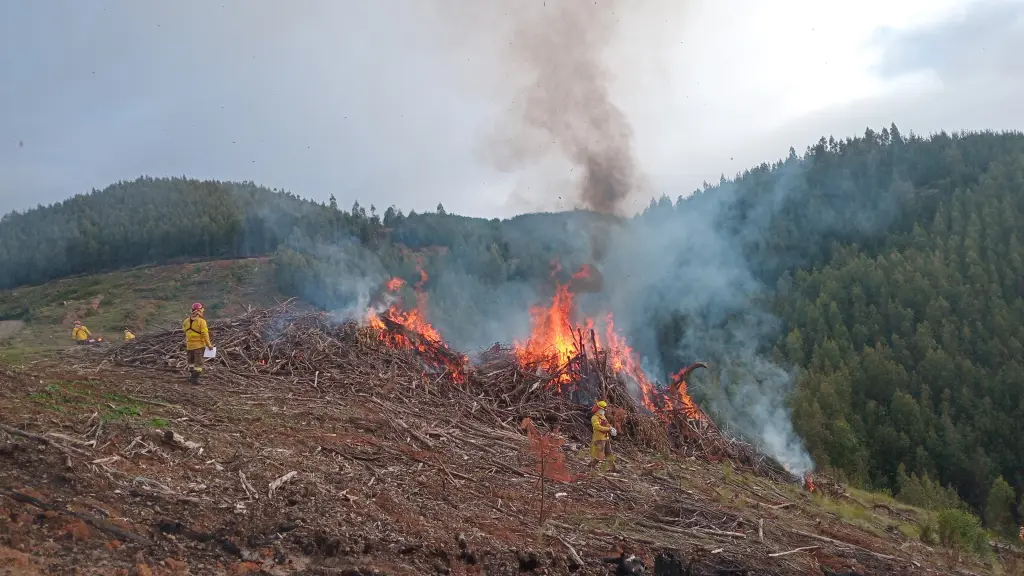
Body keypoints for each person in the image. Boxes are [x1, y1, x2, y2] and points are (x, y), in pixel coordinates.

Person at [182, 303, 213, 385]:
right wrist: (209, 345)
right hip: (199, 346)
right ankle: (194, 380)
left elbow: (185, 332)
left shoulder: (186, 321)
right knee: (199, 364)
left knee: (191, 363)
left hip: (189, 346)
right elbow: (205, 334)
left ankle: (191, 377)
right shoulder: (201, 321)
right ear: (200, 310)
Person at [588, 400, 617, 472]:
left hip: (606, 438)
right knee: (600, 455)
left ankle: (614, 468)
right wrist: (608, 429)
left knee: (609, 454)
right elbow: (597, 426)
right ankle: (592, 466)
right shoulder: (594, 418)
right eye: (603, 409)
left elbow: (606, 424)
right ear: (598, 409)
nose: (604, 411)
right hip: (599, 439)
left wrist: (611, 428)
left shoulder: (603, 416)